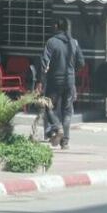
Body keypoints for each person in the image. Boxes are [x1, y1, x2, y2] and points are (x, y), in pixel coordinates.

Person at [40, 19, 84, 149]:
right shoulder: (74, 42)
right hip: (70, 82)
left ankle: (57, 127)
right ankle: (65, 142)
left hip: (54, 81)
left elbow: (44, 62)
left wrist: (42, 78)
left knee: (48, 107)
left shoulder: (51, 42)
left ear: (56, 26)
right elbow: (81, 62)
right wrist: (72, 72)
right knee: (67, 111)